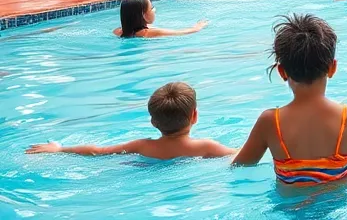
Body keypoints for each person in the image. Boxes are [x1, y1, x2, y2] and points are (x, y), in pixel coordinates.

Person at [233, 14, 347, 182]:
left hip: (287, 208)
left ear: (282, 72)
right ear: (332, 68)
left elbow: (239, 165)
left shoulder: (270, 121)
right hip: (337, 206)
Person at [26, 81, 235, 159]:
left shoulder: (141, 146)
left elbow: (96, 151)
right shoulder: (207, 147)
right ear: (195, 116)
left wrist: (60, 149)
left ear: (153, 122)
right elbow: (242, 154)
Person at [113, 0, 207, 38]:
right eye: (151, 8)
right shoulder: (153, 33)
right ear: (143, 15)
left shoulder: (117, 31)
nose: (154, 10)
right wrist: (197, 28)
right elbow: (179, 32)